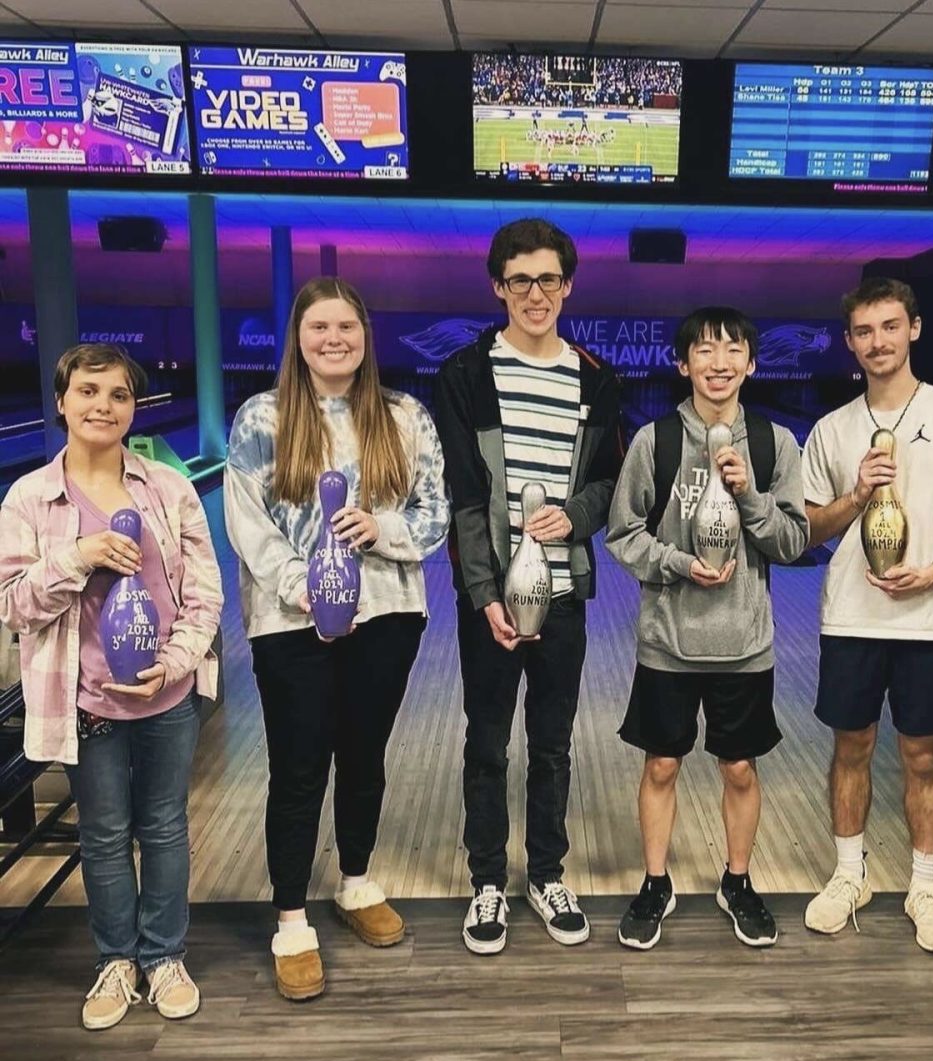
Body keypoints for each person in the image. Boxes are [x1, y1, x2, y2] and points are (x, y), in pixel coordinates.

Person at [225, 277, 448, 1000]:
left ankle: (355, 882)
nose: (333, 339)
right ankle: (291, 918)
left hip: (386, 614)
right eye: (319, 327)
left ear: (365, 335)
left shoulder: (404, 415)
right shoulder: (261, 417)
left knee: (362, 757)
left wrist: (381, 530)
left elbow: (436, 513)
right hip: (290, 622)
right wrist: (307, 584)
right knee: (297, 767)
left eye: (346, 326)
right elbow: (247, 524)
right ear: (298, 337)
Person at [0, 343, 222, 1030]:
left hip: (166, 694)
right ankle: (115, 962)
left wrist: (178, 659)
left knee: (162, 826)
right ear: (62, 400)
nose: (103, 405)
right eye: (89, 391)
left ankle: (162, 957)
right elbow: (11, 603)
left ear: (134, 407)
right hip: (83, 699)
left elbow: (205, 590)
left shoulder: (170, 486)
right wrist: (78, 555)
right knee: (102, 834)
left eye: (118, 394)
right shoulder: (31, 497)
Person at [433, 218, 622, 955]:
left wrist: (573, 517)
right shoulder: (465, 375)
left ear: (567, 284)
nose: (535, 294)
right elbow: (465, 497)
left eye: (548, 279)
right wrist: (484, 596)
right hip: (488, 599)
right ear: (498, 287)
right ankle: (487, 881)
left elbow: (608, 483)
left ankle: (546, 872)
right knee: (486, 741)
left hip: (564, 594)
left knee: (551, 743)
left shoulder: (597, 378)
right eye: (520, 280)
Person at [800, 277, 933, 954]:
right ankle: (849, 875)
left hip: (929, 619)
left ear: (914, 328)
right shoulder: (832, 430)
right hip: (852, 616)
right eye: (863, 331)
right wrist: (856, 495)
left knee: (923, 755)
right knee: (850, 747)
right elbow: (807, 530)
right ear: (850, 341)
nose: (877, 341)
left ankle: (925, 886)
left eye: (890, 326)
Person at [606, 307, 810, 950]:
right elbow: (622, 534)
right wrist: (677, 564)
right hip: (669, 640)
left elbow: (793, 542)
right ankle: (655, 882)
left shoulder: (777, 444)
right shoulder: (655, 443)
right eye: (704, 350)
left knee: (740, 768)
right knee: (662, 764)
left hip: (744, 643)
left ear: (752, 362)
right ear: (682, 363)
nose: (718, 363)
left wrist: (750, 497)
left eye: (731, 351)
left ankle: (738, 880)